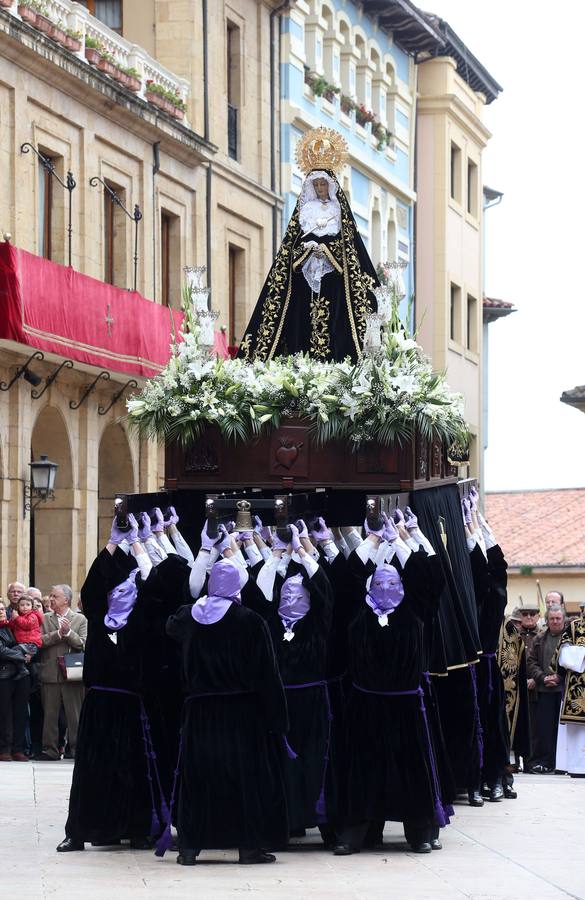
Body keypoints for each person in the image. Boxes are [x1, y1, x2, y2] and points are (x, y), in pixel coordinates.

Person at [165, 554, 289, 866]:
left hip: (200, 712)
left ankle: (190, 847)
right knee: (244, 779)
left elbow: (170, 631)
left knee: (198, 777)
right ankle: (248, 847)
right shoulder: (250, 620)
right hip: (240, 714)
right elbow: (267, 673)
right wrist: (278, 719)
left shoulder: (186, 616)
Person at [336, 515, 448, 855]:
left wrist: (405, 537)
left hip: (405, 706)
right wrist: (371, 540)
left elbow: (432, 578)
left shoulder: (415, 609)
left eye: (392, 583)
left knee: (412, 771)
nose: (385, 589)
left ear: (401, 584)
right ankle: (357, 833)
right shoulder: (358, 611)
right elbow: (349, 576)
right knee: (363, 771)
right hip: (367, 706)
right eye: (378, 584)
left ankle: (419, 832)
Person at [238, 127, 379, 363]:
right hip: (305, 285)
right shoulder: (304, 214)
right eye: (317, 185)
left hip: (334, 285)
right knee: (302, 324)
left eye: (324, 184)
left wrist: (326, 251)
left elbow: (350, 256)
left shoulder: (339, 214)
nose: (320, 188)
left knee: (335, 325)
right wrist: (306, 252)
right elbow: (288, 255)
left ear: (331, 185)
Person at [37, 585, 87, 761]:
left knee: (75, 715)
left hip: (73, 674)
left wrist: (69, 633)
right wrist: (58, 634)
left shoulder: (80, 619)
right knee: (50, 715)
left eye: (55, 596)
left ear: (66, 599)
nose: (50, 599)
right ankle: (49, 750)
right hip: (50, 673)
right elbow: (39, 641)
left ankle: (76, 749)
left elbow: (83, 643)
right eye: (50, 596)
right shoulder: (44, 618)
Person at [527, 605, 565, 773]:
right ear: (547, 620)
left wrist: (559, 677)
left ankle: (562, 763)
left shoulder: (570, 638)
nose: (555, 621)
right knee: (544, 730)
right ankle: (545, 762)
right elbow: (531, 662)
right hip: (544, 691)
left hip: (563, 692)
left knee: (562, 731)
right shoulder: (539, 639)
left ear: (563, 619)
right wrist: (543, 678)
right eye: (552, 619)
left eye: (558, 618)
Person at [554, 600, 585, 777]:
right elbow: (563, 654)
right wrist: (582, 653)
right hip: (577, 686)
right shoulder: (573, 627)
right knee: (577, 731)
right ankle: (578, 767)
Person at [0, 600, 31, 762]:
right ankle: (5, 748)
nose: (1, 611)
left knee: (21, 712)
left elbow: (31, 642)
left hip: (22, 674)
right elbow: (1, 650)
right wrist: (21, 654)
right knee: (4, 713)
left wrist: (24, 650)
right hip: (4, 675)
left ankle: (18, 749)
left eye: (2, 608)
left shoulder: (14, 625)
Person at [9, 594, 44, 660]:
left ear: (32, 606)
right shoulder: (19, 616)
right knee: (18, 657)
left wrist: (17, 618)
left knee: (14, 651)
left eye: (28, 605)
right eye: (22, 605)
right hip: (23, 643)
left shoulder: (33, 615)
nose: (25, 607)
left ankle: (23, 668)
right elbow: (12, 628)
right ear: (18, 607)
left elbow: (27, 624)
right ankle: (23, 669)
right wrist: (13, 619)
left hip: (31, 644)